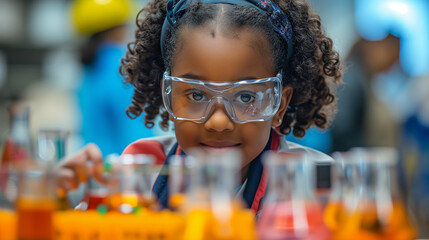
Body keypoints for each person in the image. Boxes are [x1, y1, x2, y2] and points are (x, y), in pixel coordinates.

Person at [56, 0, 342, 212]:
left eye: (245, 97)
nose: (218, 122)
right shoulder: (140, 174)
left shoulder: (317, 185)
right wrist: (57, 203)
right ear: (168, 96)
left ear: (279, 104)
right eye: (195, 95)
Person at [71, 0, 155, 156]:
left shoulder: (89, 69)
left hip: (92, 165)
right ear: (118, 29)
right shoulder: (123, 67)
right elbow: (135, 129)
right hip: (121, 170)